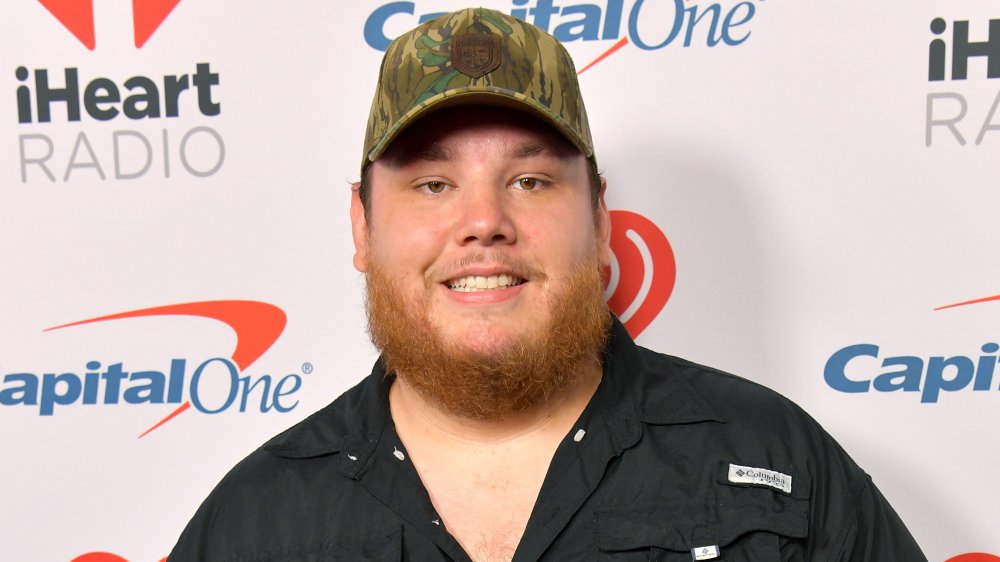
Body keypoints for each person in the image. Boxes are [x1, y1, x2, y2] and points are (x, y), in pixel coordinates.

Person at [169, 7, 927, 561]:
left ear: (600, 221)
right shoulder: (254, 524)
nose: (484, 221)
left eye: (529, 180)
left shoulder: (777, 465)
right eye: (433, 185)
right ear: (363, 227)